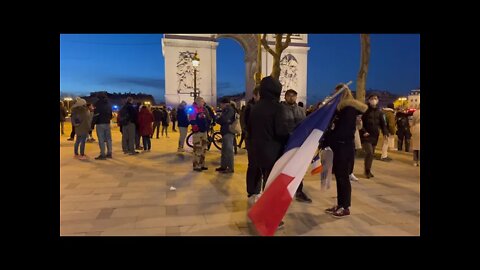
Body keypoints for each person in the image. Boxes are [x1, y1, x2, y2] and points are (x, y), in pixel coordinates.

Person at [248, 76, 289, 228]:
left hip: (259, 152)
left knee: (266, 183)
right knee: (273, 187)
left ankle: (262, 212)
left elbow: (250, 130)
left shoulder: (256, 107)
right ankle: (270, 218)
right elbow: (281, 131)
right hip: (273, 152)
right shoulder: (277, 107)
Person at [322, 84, 368, 218]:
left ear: (342, 94)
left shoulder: (348, 109)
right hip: (339, 147)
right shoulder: (342, 109)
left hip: (343, 147)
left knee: (343, 178)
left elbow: (342, 131)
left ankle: (345, 207)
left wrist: (328, 137)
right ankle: (340, 204)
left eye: (336, 94)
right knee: (340, 177)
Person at [281, 89, 312, 203]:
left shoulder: (300, 110)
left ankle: (299, 190)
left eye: (293, 96)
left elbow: (304, 125)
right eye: (289, 96)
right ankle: (284, 189)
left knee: (298, 167)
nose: (291, 98)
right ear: (285, 97)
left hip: (299, 143)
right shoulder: (281, 109)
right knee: (285, 167)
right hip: (286, 142)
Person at [359, 94, 388, 178]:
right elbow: (360, 123)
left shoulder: (380, 112)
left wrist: (385, 133)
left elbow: (383, 124)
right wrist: (363, 131)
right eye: (372, 98)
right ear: (369, 100)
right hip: (366, 136)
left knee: (371, 154)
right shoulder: (364, 111)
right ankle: (367, 171)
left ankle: (368, 170)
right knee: (369, 153)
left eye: (375, 98)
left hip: (375, 136)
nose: (374, 100)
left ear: (378, 100)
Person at [245, 86, 262, 203]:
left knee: (259, 168)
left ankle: (257, 190)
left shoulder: (260, 107)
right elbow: (246, 127)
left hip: (261, 143)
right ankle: (251, 191)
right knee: (253, 167)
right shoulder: (249, 108)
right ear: (255, 96)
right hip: (253, 143)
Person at [189, 97, 211, 171]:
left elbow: (207, 118)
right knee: (197, 149)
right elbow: (192, 121)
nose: (203, 103)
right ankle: (196, 165)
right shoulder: (193, 109)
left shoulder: (204, 109)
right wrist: (196, 128)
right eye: (202, 101)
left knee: (203, 149)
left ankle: (202, 164)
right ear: (197, 102)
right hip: (198, 132)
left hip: (204, 131)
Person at [215, 97, 236, 173]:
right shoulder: (226, 110)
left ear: (225, 104)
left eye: (221, 104)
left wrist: (218, 119)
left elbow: (223, 119)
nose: (220, 106)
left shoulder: (229, 109)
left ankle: (230, 168)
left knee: (229, 151)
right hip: (225, 132)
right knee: (224, 151)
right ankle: (223, 166)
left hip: (228, 132)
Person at [93, 93, 113, 160]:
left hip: (100, 123)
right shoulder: (108, 104)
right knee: (108, 139)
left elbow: (95, 115)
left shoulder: (97, 104)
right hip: (107, 123)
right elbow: (111, 114)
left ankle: (102, 154)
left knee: (101, 139)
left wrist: (92, 125)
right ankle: (109, 153)